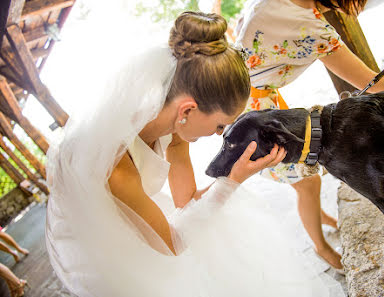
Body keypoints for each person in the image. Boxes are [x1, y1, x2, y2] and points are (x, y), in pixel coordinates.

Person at [45, 11, 346, 297]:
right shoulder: (117, 168)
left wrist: (233, 176)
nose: (216, 135)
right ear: (187, 109)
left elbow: (187, 204)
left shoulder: (176, 127)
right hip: (101, 247)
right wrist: (231, 183)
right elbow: (173, 244)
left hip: (137, 209)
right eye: (218, 126)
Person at [235, 0, 384, 271]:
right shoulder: (312, 28)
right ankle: (321, 247)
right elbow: (372, 83)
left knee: (302, 178)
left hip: (247, 99)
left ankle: (319, 217)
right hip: (254, 114)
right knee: (306, 182)